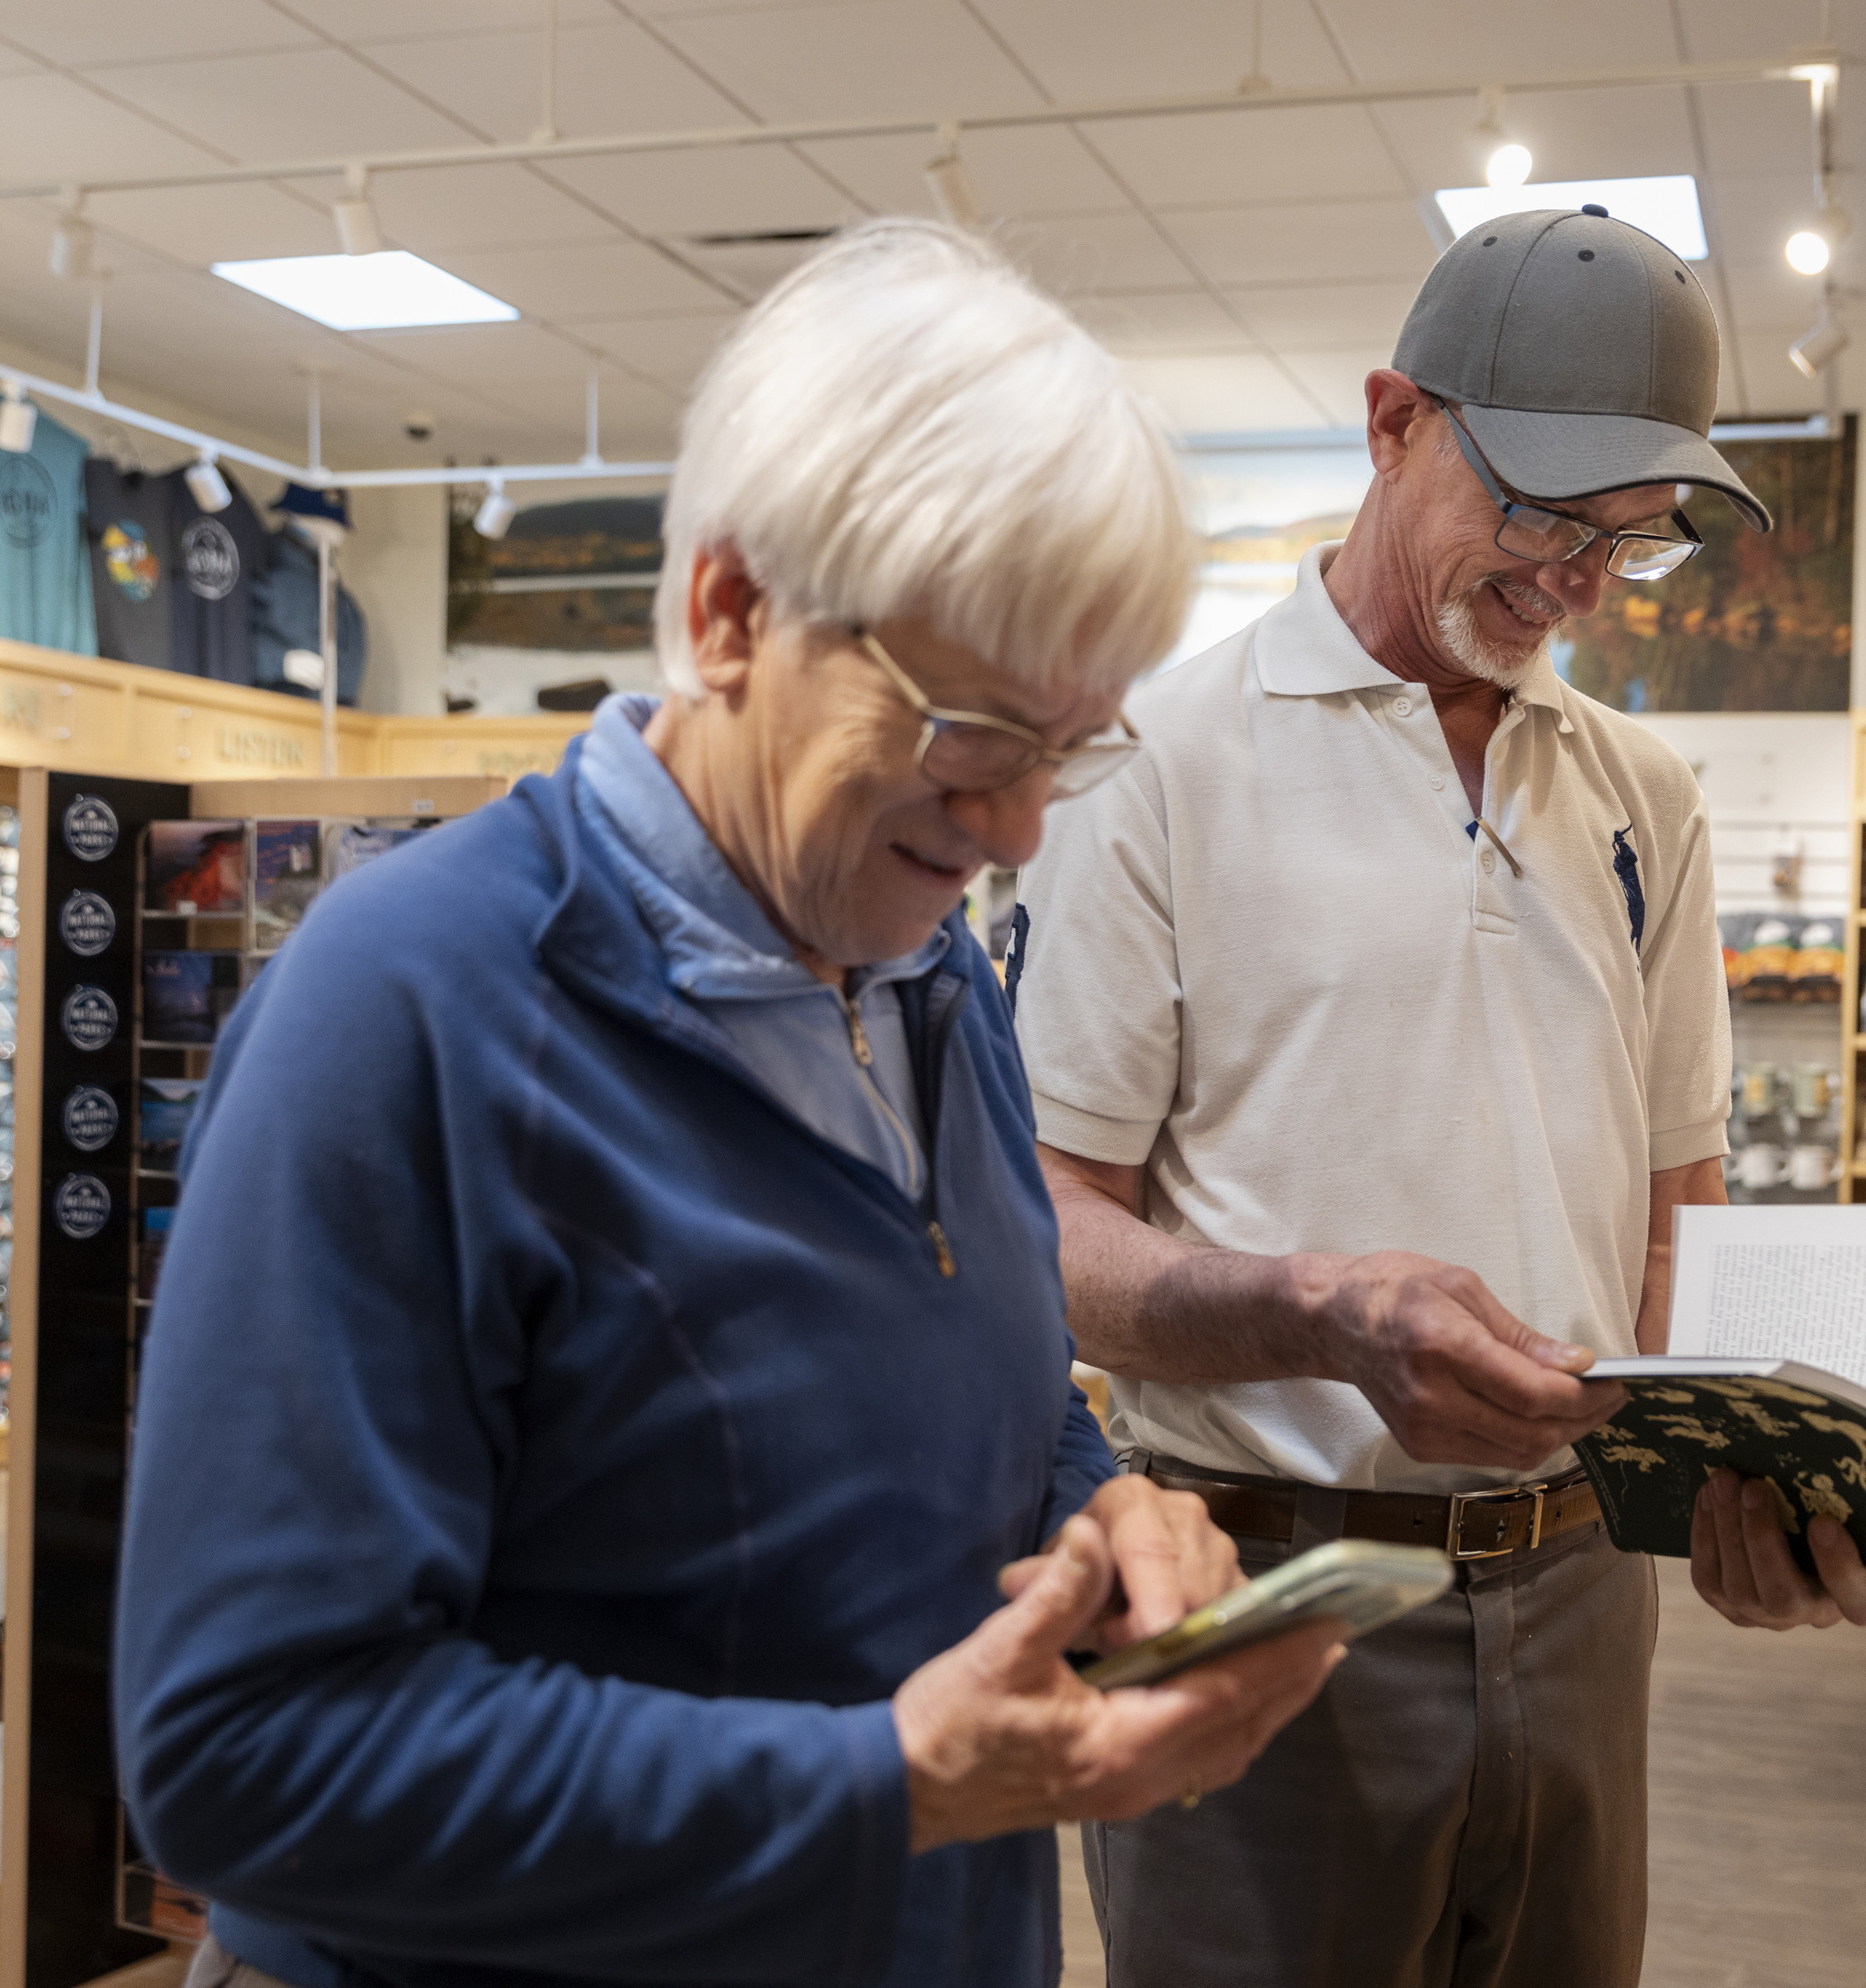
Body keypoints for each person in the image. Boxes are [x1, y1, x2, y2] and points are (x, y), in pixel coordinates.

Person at [112, 219, 1342, 1988]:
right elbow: (241, 1757)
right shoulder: (409, 1011)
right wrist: (873, 1785)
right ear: (730, 612)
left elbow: (954, 1383)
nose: (1020, 829)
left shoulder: (920, 971)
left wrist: (1096, 1512)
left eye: (1072, 748)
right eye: (971, 731)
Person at [1012, 205, 1866, 1988]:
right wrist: (1321, 1312)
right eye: (1545, 515)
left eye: (1625, 545)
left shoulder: (1644, 792)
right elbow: (1052, 1233)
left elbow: (1676, 1200)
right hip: (1264, 1591)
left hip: (1585, 1596)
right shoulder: (1150, 766)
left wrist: (1730, 1475)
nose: (1575, 583)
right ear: (1391, 418)